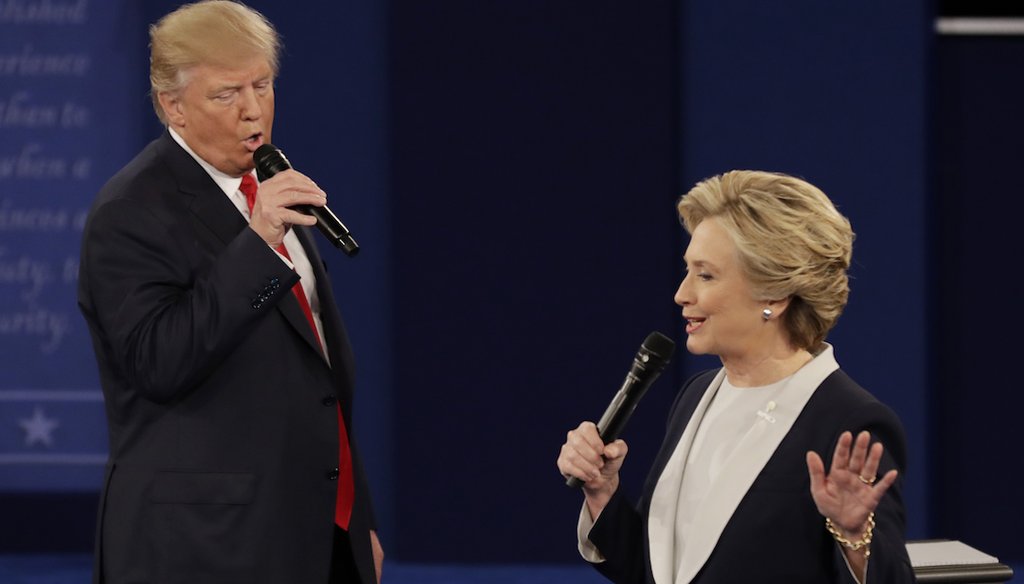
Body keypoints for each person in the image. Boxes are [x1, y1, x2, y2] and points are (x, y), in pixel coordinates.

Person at [76, 2, 382, 582]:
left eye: (262, 85)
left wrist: (355, 523)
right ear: (173, 107)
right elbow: (159, 362)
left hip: (314, 537)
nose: (253, 111)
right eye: (226, 94)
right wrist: (260, 243)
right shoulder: (130, 211)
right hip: (201, 550)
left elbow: (320, 381)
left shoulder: (262, 187)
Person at [556, 170, 914, 583]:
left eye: (705, 275)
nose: (681, 294)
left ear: (774, 295)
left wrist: (855, 539)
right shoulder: (697, 395)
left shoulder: (851, 422)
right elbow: (660, 571)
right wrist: (603, 494)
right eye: (687, 270)